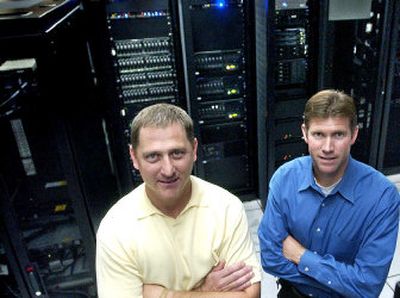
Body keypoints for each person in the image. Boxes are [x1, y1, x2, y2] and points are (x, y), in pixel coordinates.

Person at [96, 103, 261, 298]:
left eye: (177, 153)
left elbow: (249, 295)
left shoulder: (226, 207)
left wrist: (162, 295)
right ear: (134, 157)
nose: (168, 170)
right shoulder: (115, 229)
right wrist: (204, 291)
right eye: (153, 156)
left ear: (194, 149)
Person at [258, 89, 400, 297]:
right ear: (305, 133)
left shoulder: (382, 197)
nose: (327, 147)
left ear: (354, 134)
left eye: (338, 134)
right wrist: (339, 280)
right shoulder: (284, 179)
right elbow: (271, 259)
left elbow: (368, 286)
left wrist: (301, 256)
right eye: (318, 134)